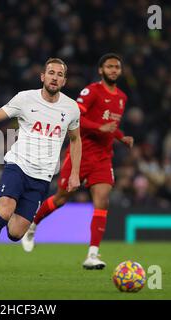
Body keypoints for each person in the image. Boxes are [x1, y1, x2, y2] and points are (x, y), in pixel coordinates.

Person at [0, 58, 82, 279]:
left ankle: (11, 209)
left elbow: (76, 140)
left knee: (15, 233)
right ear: (42, 76)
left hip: (42, 177)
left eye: (59, 74)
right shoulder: (25, 98)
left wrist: (75, 173)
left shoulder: (71, 108)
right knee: (4, 210)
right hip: (17, 165)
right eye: (51, 73)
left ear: (64, 80)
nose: (54, 77)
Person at [21, 53, 134, 270]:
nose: (113, 70)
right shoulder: (91, 91)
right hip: (80, 153)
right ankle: (32, 224)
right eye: (109, 66)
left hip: (103, 157)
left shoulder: (122, 97)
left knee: (102, 200)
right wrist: (99, 128)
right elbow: (77, 118)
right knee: (62, 197)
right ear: (101, 70)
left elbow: (108, 124)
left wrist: (121, 136)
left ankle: (92, 254)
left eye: (117, 67)